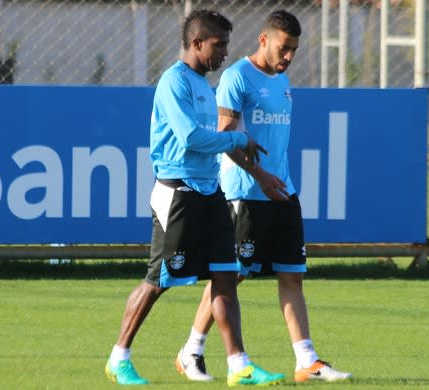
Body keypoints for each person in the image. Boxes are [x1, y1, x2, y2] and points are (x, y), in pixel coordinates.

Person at [104, 9, 285, 386]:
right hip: (178, 192)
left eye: (226, 46)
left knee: (225, 275)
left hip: (209, 190)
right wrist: (237, 139)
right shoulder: (174, 82)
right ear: (197, 43)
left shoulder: (205, 84)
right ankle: (118, 357)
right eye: (218, 46)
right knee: (157, 280)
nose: (224, 53)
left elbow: (206, 137)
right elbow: (190, 137)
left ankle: (240, 366)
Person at [174, 10, 353, 384]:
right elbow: (225, 138)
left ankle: (307, 360)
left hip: (282, 190)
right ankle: (191, 350)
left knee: (292, 275)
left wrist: (277, 182)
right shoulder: (237, 77)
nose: (288, 57)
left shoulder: (282, 79)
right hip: (247, 192)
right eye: (283, 48)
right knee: (231, 276)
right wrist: (261, 176)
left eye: (294, 50)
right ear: (263, 39)